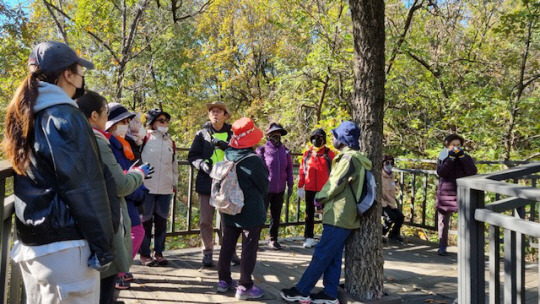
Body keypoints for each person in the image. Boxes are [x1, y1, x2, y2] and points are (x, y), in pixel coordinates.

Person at [3, 41, 115, 303]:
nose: (82, 77)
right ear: (68, 74)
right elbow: (84, 186)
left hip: (35, 245)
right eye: (80, 70)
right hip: (67, 248)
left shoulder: (29, 112)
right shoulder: (64, 115)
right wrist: (104, 247)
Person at [281, 121, 371, 304]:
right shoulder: (354, 157)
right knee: (333, 256)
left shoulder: (348, 159)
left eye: (335, 135)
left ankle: (302, 290)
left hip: (340, 214)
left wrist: (319, 198)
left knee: (322, 253)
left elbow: (335, 184)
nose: (332, 138)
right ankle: (330, 294)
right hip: (344, 213)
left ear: (343, 139)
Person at [77, 92, 150, 304]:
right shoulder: (98, 142)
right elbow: (120, 184)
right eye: (105, 113)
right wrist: (140, 174)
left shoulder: (77, 138)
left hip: (89, 217)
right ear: (93, 116)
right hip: (105, 216)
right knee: (105, 280)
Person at [216, 117, 269, 300]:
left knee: (227, 244)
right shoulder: (253, 159)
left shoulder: (228, 154)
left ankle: (223, 281)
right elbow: (264, 186)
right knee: (249, 247)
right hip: (251, 211)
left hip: (229, 207)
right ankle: (245, 286)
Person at [188, 101, 240, 267]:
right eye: (212, 111)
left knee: (228, 219)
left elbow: (241, 153)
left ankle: (230, 250)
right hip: (207, 181)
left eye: (219, 111)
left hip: (227, 182)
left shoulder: (233, 134)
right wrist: (202, 164)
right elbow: (193, 156)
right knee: (205, 220)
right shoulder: (201, 134)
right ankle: (207, 252)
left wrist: (226, 147)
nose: (215, 114)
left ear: (225, 115)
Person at [105, 103, 150, 289]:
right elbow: (121, 177)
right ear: (111, 124)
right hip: (123, 197)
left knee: (133, 232)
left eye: (126, 121)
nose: (126, 124)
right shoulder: (110, 144)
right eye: (122, 121)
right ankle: (117, 271)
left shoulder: (123, 143)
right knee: (135, 232)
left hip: (129, 196)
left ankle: (120, 271)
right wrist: (140, 189)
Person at [139, 108, 179, 266]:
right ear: (152, 123)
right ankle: (144, 254)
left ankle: (159, 252)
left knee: (162, 221)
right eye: (161, 120)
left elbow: (174, 165)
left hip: (165, 188)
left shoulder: (171, 142)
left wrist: (174, 183)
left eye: (166, 121)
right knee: (145, 221)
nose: (165, 123)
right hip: (146, 187)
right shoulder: (144, 138)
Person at [436, 134, 477, 256]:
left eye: (458, 145)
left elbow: (472, 171)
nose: (456, 147)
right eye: (453, 145)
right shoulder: (443, 157)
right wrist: (451, 159)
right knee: (443, 220)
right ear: (447, 146)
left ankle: (465, 247)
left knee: (464, 220)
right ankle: (442, 246)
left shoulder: (466, 157)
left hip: (462, 192)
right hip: (446, 192)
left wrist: (462, 157)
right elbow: (441, 172)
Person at [256, 122, 294, 250]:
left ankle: (273, 239)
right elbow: (259, 169)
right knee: (261, 214)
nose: (276, 136)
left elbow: (289, 169)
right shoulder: (262, 150)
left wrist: (291, 184)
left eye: (278, 134)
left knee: (276, 215)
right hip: (266, 189)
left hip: (280, 189)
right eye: (273, 134)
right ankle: (254, 239)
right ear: (268, 135)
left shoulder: (286, 151)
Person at [297, 128, 335, 248]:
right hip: (309, 188)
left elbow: (335, 171)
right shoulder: (307, 153)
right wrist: (300, 186)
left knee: (326, 213)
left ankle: (326, 237)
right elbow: (302, 170)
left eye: (319, 137)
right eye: (314, 137)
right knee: (309, 213)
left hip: (325, 189)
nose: (316, 140)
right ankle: (309, 237)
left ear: (324, 139)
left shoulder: (329, 153)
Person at [381, 155, 405, 242]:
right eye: (387, 163)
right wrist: (390, 201)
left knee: (400, 216)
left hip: (390, 202)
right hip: (382, 202)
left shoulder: (391, 175)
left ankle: (394, 234)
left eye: (391, 163)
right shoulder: (380, 175)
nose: (389, 165)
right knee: (391, 217)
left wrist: (392, 202)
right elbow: (382, 192)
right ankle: (381, 233)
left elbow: (392, 190)